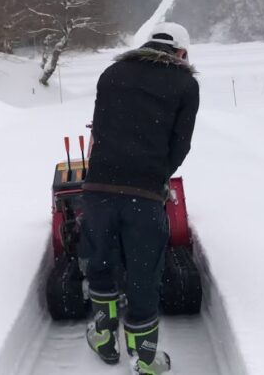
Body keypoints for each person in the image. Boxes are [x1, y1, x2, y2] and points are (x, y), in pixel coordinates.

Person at [82, 22, 199, 375]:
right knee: (144, 272)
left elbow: (101, 126)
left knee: (100, 262)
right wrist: (156, 175)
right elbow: (180, 144)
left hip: (98, 189)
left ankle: (103, 336)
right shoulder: (185, 84)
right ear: (180, 52)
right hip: (144, 195)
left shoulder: (112, 73)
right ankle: (144, 357)